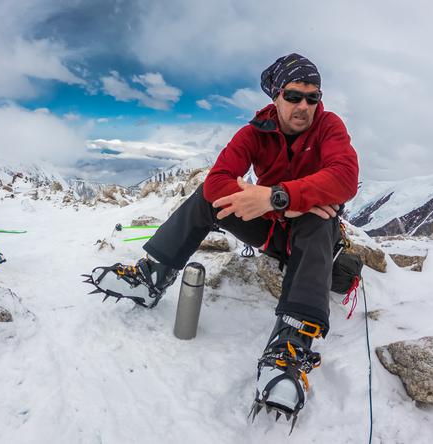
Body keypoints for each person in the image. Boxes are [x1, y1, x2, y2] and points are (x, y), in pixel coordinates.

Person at [85, 53, 359, 425]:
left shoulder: (329, 127)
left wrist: (274, 196)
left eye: (313, 97)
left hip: (313, 239)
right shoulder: (254, 132)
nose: (305, 106)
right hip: (275, 231)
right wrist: (278, 203)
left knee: (316, 219)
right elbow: (216, 183)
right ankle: (154, 275)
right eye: (295, 96)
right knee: (209, 201)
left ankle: (290, 346)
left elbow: (345, 177)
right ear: (276, 96)